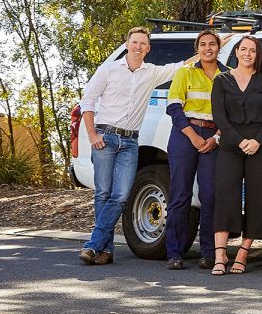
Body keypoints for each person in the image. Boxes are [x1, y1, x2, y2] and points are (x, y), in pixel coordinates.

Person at [79, 27, 186, 265]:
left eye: (143, 43)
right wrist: (92, 134)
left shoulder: (152, 73)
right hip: (105, 137)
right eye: (134, 42)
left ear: (148, 48)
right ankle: (104, 251)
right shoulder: (108, 69)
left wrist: (215, 43)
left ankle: (93, 245)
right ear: (127, 44)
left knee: (120, 195)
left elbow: (181, 66)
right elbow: (87, 101)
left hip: (130, 141)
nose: (138, 46)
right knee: (103, 194)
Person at [210, 35, 262, 275]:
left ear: (258, 55)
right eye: (244, 49)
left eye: (253, 50)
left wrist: (257, 141)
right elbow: (219, 117)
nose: (248, 54)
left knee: (257, 198)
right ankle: (220, 254)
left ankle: (242, 253)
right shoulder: (221, 80)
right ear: (236, 52)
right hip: (231, 144)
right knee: (225, 195)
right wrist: (239, 141)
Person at [163, 29, 229, 270]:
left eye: (212, 44)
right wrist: (192, 136)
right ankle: (174, 253)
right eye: (203, 44)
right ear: (197, 48)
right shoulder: (185, 72)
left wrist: (216, 138)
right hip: (185, 136)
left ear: (218, 48)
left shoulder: (227, 76)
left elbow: (229, 114)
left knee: (209, 196)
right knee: (180, 195)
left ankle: (208, 253)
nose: (208, 48)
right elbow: (174, 107)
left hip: (213, 137)